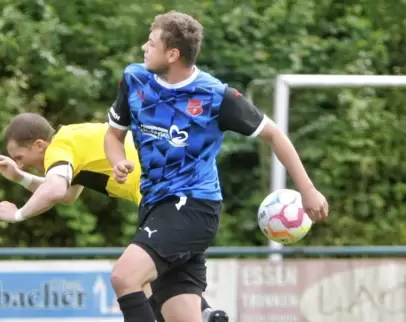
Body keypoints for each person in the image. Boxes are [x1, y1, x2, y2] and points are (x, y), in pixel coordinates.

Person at [104, 10, 329, 322]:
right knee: (182, 317)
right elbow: (113, 135)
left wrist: (307, 189)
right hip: (155, 207)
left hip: (194, 206)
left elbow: (274, 134)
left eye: (151, 43)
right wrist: (118, 162)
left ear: (173, 54)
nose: (144, 47)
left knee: (124, 277)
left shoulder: (215, 96)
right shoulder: (134, 80)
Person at [0, 112, 229, 322]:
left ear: (39, 145)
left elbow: (55, 190)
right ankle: (204, 313)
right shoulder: (74, 139)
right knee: (146, 283)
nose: (22, 165)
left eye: (20, 158)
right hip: (182, 201)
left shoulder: (59, 147)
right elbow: (67, 194)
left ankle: (203, 312)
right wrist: (19, 177)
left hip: (175, 201)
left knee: (127, 277)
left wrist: (17, 214)